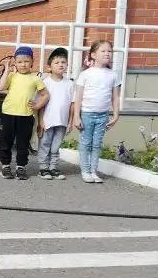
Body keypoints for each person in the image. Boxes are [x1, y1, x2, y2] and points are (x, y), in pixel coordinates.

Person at [0, 46, 49, 180]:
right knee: (6, 141)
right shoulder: (12, 76)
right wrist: (7, 71)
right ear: (15, 62)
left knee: (23, 143)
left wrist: (37, 105)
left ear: (32, 62)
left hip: (25, 116)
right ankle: (5, 166)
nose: (23, 64)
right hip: (8, 114)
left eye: (26, 61)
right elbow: (1, 87)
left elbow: (45, 95)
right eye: (19, 62)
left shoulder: (35, 79)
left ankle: (21, 167)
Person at [73, 40, 121, 183]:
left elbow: (115, 98)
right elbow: (78, 97)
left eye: (109, 51)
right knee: (86, 143)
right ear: (93, 55)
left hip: (103, 115)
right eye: (103, 51)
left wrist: (116, 115)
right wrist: (77, 116)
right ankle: (85, 171)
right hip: (87, 114)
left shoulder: (112, 75)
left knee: (96, 144)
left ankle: (94, 171)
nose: (107, 53)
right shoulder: (86, 74)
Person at [37, 47, 75, 180]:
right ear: (50, 66)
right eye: (57, 62)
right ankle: (43, 168)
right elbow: (41, 104)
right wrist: (40, 121)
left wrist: (70, 122)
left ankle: (53, 167)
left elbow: (72, 104)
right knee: (45, 143)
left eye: (63, 62)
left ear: (67, 65)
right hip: (47, 120)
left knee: (56, 145)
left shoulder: (70, 84)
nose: (60, 65)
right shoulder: (45, 83)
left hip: (62, 121)